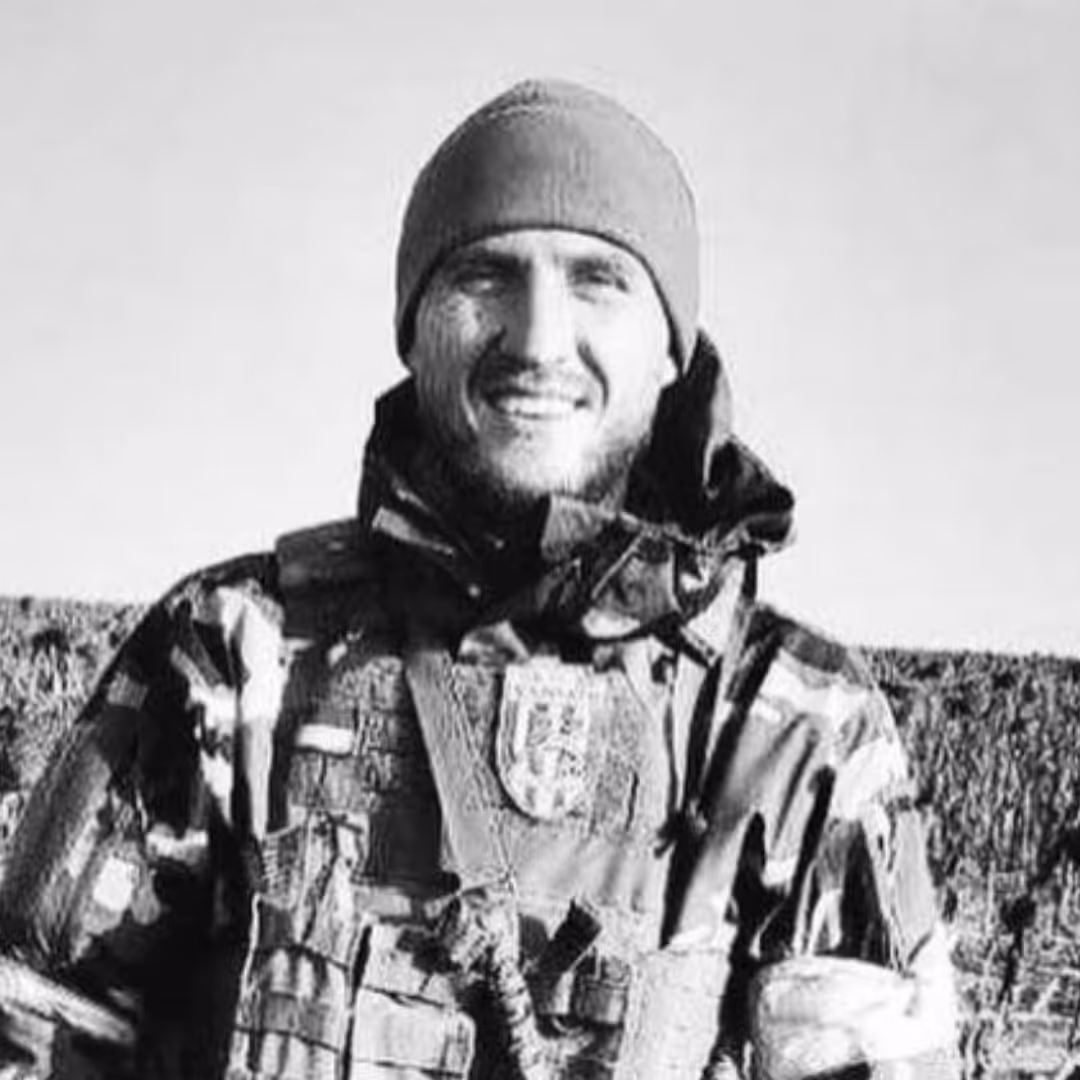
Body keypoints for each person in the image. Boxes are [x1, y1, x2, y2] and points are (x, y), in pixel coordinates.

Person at [0, 79, 959, 1079]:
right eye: (485, 276)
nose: (538, 341)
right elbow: (34, 1034)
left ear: (671, 350)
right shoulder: (233, 652)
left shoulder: (796, 727)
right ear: (414, 328)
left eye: (598, 280)